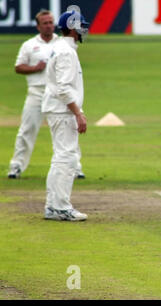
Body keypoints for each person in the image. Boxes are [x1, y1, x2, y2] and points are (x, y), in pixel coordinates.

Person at [8, 10, 85, 179]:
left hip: (59, 95)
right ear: (38, 26)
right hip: (36, 93)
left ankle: (75, 167)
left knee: (69, 129)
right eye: (45, 23)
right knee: (27, 130)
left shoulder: (62, 44)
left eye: (51, 22)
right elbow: (18, 67)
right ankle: (16, 166)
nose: (49, 26)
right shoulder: (29, 45)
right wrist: (35, 68)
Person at [42, 6, 90, 221]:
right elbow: (63, 87)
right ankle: (60, 207)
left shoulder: (60, 47)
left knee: (60, 157)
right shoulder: (66, 51)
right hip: (62, 111)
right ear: (72, 28)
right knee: (67, 157)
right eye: (81, 27)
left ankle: (53, 206)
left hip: (58, 109)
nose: (84, 31)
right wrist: (77, 113)